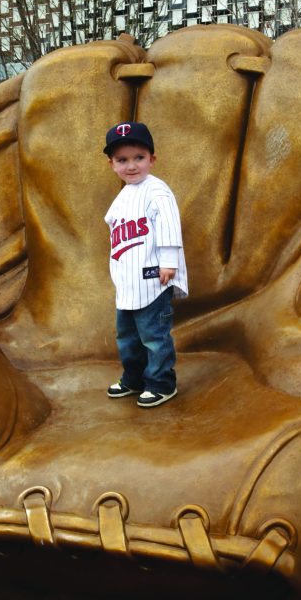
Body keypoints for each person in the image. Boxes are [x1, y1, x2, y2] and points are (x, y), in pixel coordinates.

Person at [102, 121, 188, 408]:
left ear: (152, 159)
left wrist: (168, 263)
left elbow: (168, 228)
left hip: (153, 280)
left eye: (138, 157)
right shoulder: (124, 195)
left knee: (154, 337)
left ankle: (161, 384)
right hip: (127, 284)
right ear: (112, 164)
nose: (131, 166)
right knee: (127, 337)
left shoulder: (157, 191)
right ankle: (134, 379)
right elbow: (115, 231)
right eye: (122, 160)